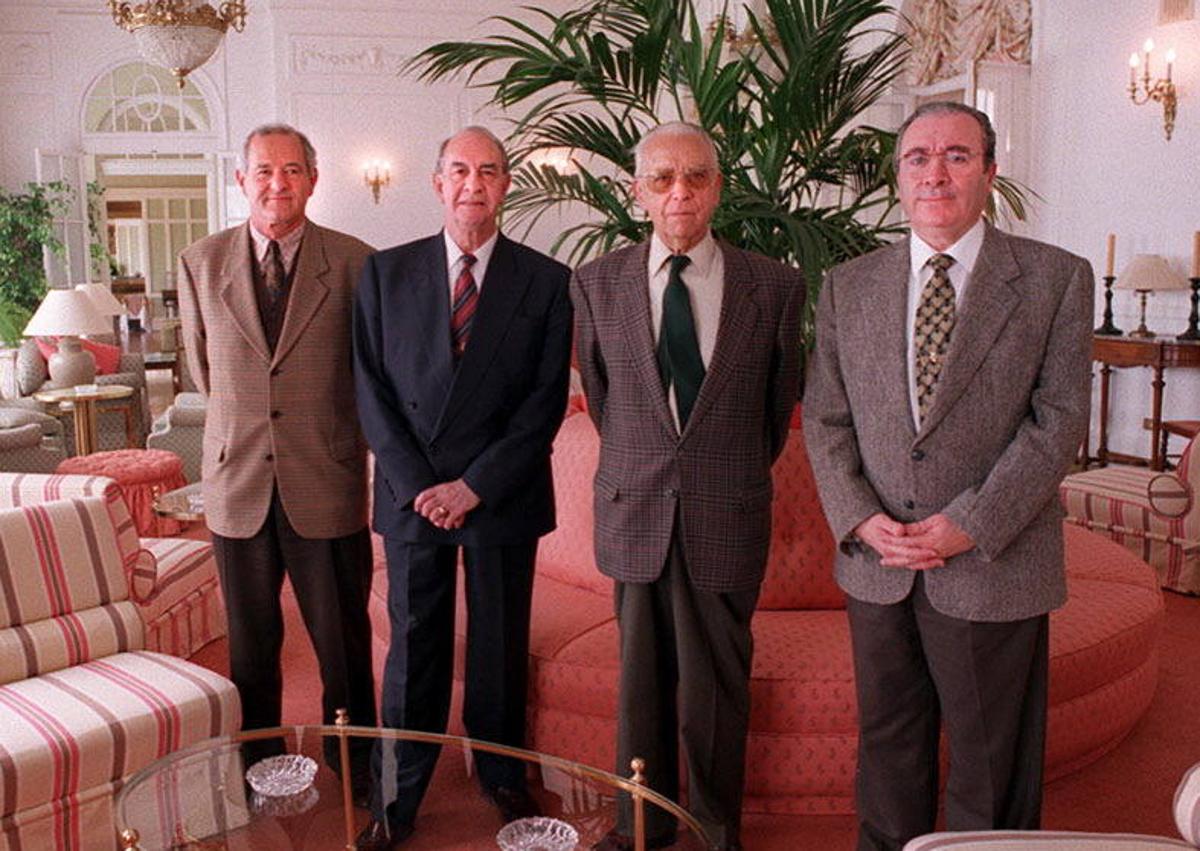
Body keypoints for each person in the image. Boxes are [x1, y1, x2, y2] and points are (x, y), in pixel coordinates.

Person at [802, 101, 1094, 851]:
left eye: (957, 156)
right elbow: (827, 418)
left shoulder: (1055, 279)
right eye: (917, 158)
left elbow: (1057, 421)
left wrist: (974, 521)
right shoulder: (847, 285)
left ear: (990, 173)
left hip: (994, 562)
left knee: (990, 763)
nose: (935, 172)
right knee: (889, 750)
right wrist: (859, 515)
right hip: (879, 562)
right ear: (898, 177)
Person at [571, 121, 804, 851]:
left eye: (696, 177)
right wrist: (657, 459)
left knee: (716, 686)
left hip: (726, 508)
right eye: (663, 178)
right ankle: (637, 820)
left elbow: (775, 409)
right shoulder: (595, 282)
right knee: (638, 680)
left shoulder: (774, 285)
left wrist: (714, 466)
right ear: (637, 191)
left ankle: (713, 828)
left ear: (718, 188)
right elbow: (604, 399)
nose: (680, 192)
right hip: (634, 505)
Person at [352, 126, 573, 849]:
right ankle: (397, 792)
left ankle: (502, 774)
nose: (473, 184)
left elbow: (543, 403)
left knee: (500, 642)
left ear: (507, 184)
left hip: (499, 492)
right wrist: (424, 486)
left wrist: (472, 486)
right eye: (459, 170)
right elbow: (371, 391)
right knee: (413, 645)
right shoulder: (385, 273)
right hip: (415, 492)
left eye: (488, 171)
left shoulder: (545, 279)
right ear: (437, 182)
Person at [177, 124, 377, 786]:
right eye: (264, 171)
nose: (277, 184)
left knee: (342, 644)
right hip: (237, 484)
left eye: (292, 171)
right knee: (251, 644)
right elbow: (204, 370)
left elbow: (369, 372)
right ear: (241, 180)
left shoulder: (355, 262)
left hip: (326, 478)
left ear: (313, 181)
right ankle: (257, 764)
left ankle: (354, 763)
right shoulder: (200, 262)